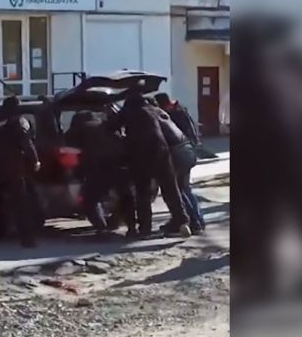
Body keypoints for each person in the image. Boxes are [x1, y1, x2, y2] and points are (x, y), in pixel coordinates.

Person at [115, 92, 191, 239]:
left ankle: (145, 229)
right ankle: (182, 222)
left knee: (143, 192)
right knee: (171, 188)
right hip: (162, 151)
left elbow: (112, 126)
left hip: (140, 154)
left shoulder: (129, 111)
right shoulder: (156, 110)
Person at [65, 111, 136, 237]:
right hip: (121, 164)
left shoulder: (80, 128)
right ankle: (131, 228)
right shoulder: (105, 125)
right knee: (125, 196)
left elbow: (68, 146)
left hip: (100, 167)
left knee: (90, 200)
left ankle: (101, 227)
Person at [0, 96, 41, 248]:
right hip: (14, 166)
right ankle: (27, 239)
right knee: (21, 203)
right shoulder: (19, 121)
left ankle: (0, 233)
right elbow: (26, 142)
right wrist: (35, 160)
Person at [152, 106, 205, 234]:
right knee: (186, 189)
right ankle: (198, 221)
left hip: (177, 154)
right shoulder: (166, 116)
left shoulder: (153, 119)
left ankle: (193, 222)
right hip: (186, 150)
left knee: (177, 190)